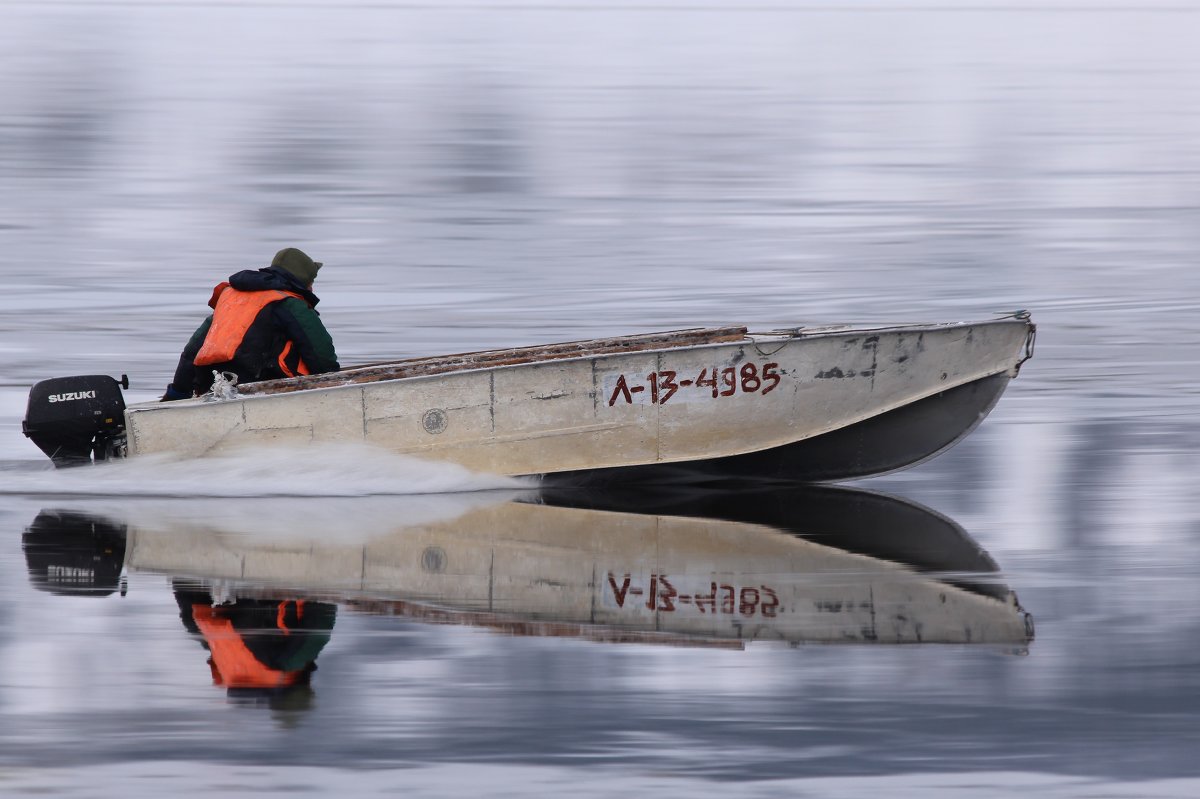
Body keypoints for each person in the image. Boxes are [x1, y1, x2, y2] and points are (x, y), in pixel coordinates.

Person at [164, 247, 340, 399]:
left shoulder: (230, 301)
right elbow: (321, 354)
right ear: (302, 281)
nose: (312, 288)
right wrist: (336, 385)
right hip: (262, 391)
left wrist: (177, 393)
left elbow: (192, 350)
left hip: (212, 386)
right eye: (311, 281)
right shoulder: (289, 303)